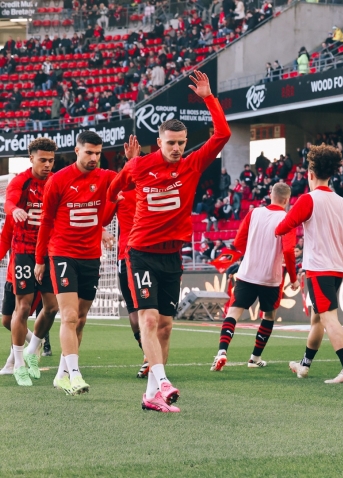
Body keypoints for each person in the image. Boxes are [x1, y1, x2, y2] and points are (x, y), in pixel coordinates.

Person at [107, 70, 230, 413]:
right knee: (147, 320)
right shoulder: (139, 166)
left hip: (172, 257)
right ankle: (162, 381)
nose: (176, 148)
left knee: (165, 326)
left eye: (181, 143)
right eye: (170, 143)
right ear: (158, 142)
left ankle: (150, 396)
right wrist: (109, 213)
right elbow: (113, 188)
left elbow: (223, 134)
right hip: (141, 253)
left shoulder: (191, 165)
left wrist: (209, 97)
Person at [276, 144, 343, 384]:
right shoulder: (342, 202)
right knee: (317, 318)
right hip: (336, 269)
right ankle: (304, 365)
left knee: (328, 318)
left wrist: (280, 227)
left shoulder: (308, 200)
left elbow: (282, 227)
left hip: (318, 269)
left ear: (311, 174)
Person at [34, 131, 117, 396]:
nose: (94, 158)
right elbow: (46, 222)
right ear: (77, 150)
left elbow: (117, 198)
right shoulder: (58, 181)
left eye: (98, 153)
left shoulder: (105, 178)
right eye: (89, 152)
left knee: (80, 319)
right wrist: (40, 260)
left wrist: (133, 161)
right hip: (62, 254)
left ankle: (61, 374)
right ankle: (75, 374)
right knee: (68, 316)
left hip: (91, 257)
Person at [210, 183, 298, 371]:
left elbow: (238, 242)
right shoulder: (287, 218)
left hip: (247, 273)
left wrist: (239, 257)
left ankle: (222, 352)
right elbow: (289, 250)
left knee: (233, 312)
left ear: (271, 195)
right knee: (268, 315)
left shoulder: (254, 213)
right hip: (270, 278)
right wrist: (294, 277)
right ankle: (255, 358)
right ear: (287, 200)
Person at [4, 138, 60, 386]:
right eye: (43, 160)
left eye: (51, 160)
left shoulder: (57, 182)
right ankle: (17, 364)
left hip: (50, 252)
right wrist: (13, 209)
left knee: (52, 307)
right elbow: (9, 202)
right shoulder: (21, 181)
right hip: (24, 252)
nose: (48, 164)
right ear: (32, 158)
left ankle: (32, 349)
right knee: (22, 308)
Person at [107, 135, 146, 378]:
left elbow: (101, 219)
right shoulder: (130, 192)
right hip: (137, 255)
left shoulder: (125, 192)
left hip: (136, 256)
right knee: (141, 311)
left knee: (139, 310)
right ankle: (150, 356)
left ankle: (148, 356)